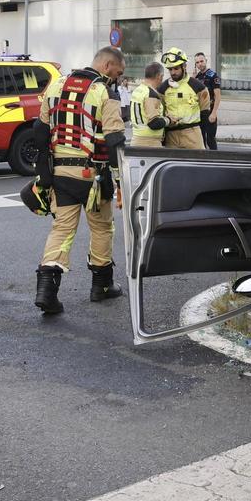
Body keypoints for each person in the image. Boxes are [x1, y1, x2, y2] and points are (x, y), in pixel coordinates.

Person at [32, 47, 128, 316]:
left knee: (61, 229)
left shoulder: (57, 85)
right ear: (107, 66)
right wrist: (120, 180)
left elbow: (39, 131)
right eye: (118, 73)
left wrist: (44, 175)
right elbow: (114, 140)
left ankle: (46, 291)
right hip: (93, 177)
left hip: (60, 175)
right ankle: (102, 286)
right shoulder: (104, 92)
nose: (118, 79)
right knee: (101, 228)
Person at [158, 48, 210, 150]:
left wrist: (203, 137)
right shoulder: (163, 88)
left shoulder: (198, 87)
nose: (173, 72)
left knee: (197, 164)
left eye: (176, 68)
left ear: (184, 66)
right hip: (171, 135)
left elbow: (204, 113)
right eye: (170, 69)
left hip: (192, 133)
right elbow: (160, 111)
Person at [129, 62, 168, 147]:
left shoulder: (138, 90)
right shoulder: (151, 94)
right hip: (149, 143)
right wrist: (169, 120)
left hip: (136, 139)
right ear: (159, 76)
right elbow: (154, 123)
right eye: (162, 76)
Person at [194, 52, 222, 150]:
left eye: (201, 61)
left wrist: (214, 113)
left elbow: (217, 96)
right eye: (197, 62)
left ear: (206, 61)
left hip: (209, 111)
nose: (200, 64)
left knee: (210, 139)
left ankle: (216, 161)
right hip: (199, 113)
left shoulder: (213, 76)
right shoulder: (196, 77)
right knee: (200, 140)